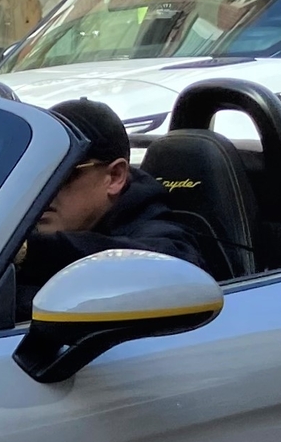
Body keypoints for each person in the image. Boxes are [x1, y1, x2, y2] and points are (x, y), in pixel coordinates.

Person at [15, 98, 216, 299]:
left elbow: (173, 267)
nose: (45, 188)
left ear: (114, 177)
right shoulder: (17, 225)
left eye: (63, 173)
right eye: (36, 174)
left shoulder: (164, 242)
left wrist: (28, 251)